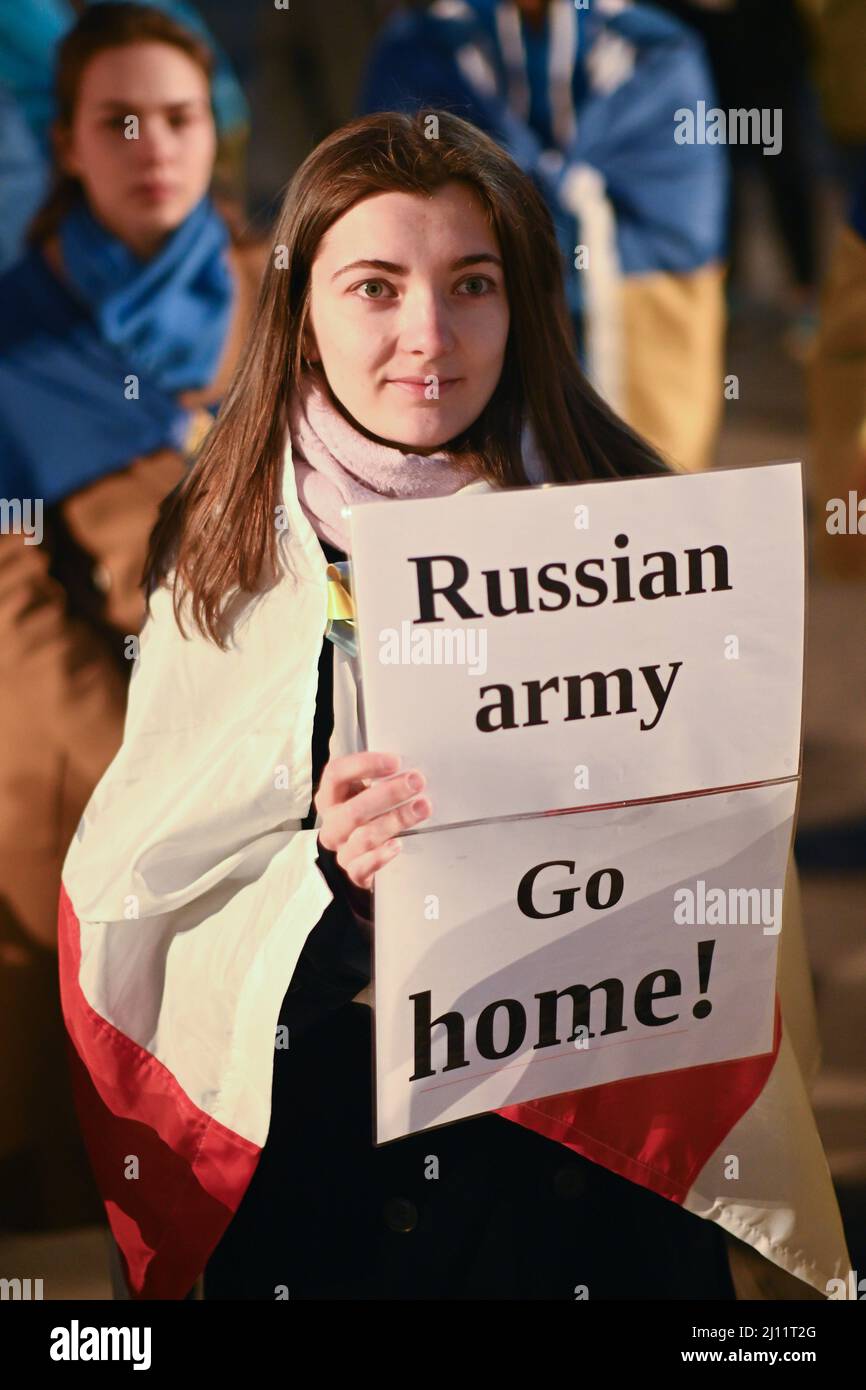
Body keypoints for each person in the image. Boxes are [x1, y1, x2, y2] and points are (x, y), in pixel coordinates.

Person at [58, 108, 847, 1301]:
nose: (426, 336)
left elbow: (733, 882)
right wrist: (321, 881)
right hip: (342, 1168)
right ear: (303, 313)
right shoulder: (221, 545)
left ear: (521, 300)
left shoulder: (640, 519)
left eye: (470, 283)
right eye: (374, 287)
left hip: (597, 1171)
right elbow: (147, 889)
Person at [0, 2, 265, 1230]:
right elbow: (10, 605)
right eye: (117, 121)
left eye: (178, 116)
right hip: (105, 739)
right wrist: (147, 760)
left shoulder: (300, 301)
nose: (151, 144)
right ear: (65, 145)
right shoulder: (14, 330)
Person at [357, 0, 728, 473]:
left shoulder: (659, 50)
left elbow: (680, 219)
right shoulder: (420, 47)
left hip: (631, 312)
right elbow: (389, 205)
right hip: (477, 311)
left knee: (644, 503)